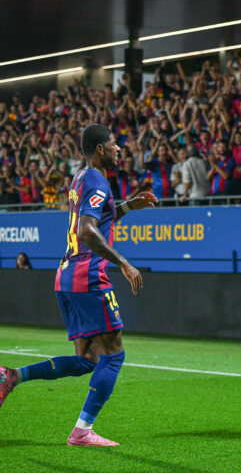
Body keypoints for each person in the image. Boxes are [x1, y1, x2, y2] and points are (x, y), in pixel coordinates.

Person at [0, 124, 157, 446]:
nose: (118, 149)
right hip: (88, 277)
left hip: (67, 274)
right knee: (112, 356)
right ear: (100, 149)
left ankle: (12, 376)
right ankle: (82, 431)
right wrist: (124, 263)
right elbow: (87, 230)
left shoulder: (81, 178)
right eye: (114, 145)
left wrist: (128, 206)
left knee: (88, 360)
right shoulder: (97, 179)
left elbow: (98, 218)